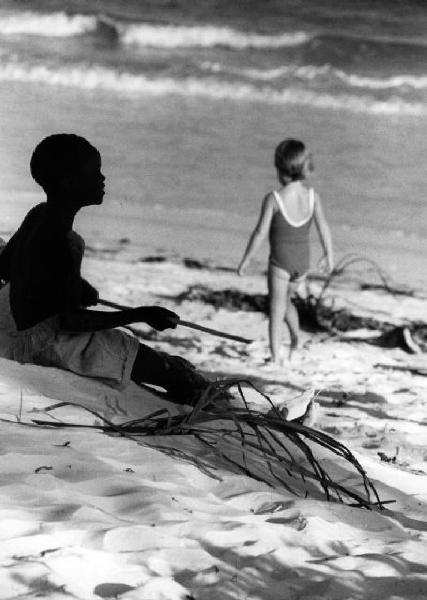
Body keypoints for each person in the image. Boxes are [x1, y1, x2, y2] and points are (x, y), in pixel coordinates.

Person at [0, 133, 208, 403]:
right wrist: (142, 314)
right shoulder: (62, 242)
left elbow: (6, 267)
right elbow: (71, 322)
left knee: (152, 360)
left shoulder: (39, 214)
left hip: (10, 327)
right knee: (166, 369)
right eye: (95, 172)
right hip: (44, 343)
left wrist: (73, 286)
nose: (102, 179)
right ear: (69, 182)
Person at [237, 138, 333, 364]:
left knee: (276, 309)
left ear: (280, 169)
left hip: (280, 263)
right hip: (302, 264)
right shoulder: (312, 197)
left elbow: (260, 233)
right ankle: (296, 338)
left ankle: (275, 357)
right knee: (287, 301)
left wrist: (246, 260)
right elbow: (324, 227)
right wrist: (329, 254)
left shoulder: (274, 199)